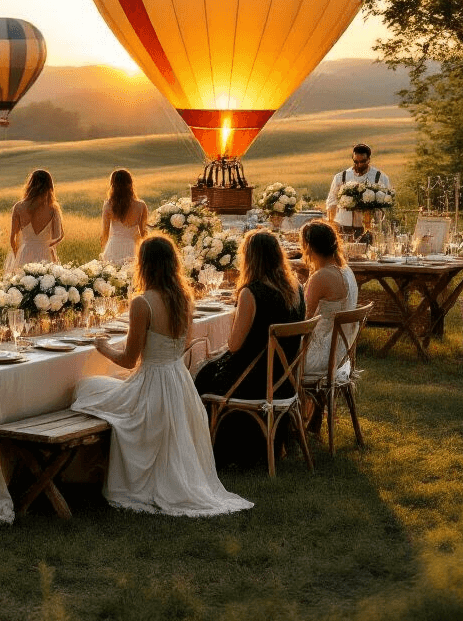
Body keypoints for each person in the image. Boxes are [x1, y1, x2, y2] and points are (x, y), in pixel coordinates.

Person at [72, 236, 253, 516]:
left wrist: (104, 347)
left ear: (144, 266)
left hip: (152, 386)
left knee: (86, 388)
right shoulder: (185, 299)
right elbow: (179, 345)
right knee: (104, 385)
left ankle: (84, 473)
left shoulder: (142, 303)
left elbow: (130, 359)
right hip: (179, 382)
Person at [193, 230, 306, 466]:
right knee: (209, 367)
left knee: (201, 376)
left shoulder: (251, 293)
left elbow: (234, 346)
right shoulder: (297, 288)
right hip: (284, 381)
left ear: (250, 259)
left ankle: (211, 451)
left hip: (253, 381)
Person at [301, 220, 358, 378]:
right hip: (340, 351)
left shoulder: (321, 276)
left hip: (319, 358)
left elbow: (303, 319)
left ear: (309, 247)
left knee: (266, 350)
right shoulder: (346, 271)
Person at [5, 169, 64, 273]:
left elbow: (12, 238)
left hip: (24, 253)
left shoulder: (18, 207)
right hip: (46, 254)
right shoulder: (53, 209)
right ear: (50, 186)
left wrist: (16, 256)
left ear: (30, 184)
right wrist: (47, 245)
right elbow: (59, 236)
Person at [326, 143, 391, 237]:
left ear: (369, 159)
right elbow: (331, 201)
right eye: (356, 162)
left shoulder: (380, 178)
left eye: (363, 161)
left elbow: (386, 203)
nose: (359, 165)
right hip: (343, 225)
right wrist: (331, 225)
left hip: (369, 228)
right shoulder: (341, 177)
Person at [100, 169, 148, 266]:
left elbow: (105, 233)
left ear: (112, 185)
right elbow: (144, 233)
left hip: (113, 248)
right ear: (131, 183)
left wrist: (104, 251)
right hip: (133, 247)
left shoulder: (108, 205)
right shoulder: (141, 205)